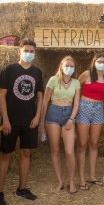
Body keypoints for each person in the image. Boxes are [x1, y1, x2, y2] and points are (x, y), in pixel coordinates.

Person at [0, 39, 43, 205]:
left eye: (32, 51)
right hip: (11, 121)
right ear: (19, 52)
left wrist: (37, 117)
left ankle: (22, 189)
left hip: (30, 121)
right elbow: (1, 95)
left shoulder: (37, 72)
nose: (29, 53)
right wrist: (5, 119)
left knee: (26, 153)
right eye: (26, 50)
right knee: (5, 155)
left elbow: (40, 96)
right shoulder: (8, 70)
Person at [40, 56, 80, 194]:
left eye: (72, 66)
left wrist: (71, 119)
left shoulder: (76, 83)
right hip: (53, 114)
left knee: (70, 152)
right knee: (55, 150)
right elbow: (45, 102)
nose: (69, 68)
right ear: (61, 66)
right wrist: (41, 123)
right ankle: (60, 182)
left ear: (74, 68)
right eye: (67, 65)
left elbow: (76, 103)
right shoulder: (53, 80)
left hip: (68, 114)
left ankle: (72, 181)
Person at [75, 53, 104, 191]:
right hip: (84, 107)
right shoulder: (86, 74)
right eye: (99, 61)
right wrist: (75, 108)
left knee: (94, 143)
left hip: (98, 109)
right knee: (82, 144)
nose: (101, 63)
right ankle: (81, 179)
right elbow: (76, 89)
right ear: (94, 62)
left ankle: (92, 176)